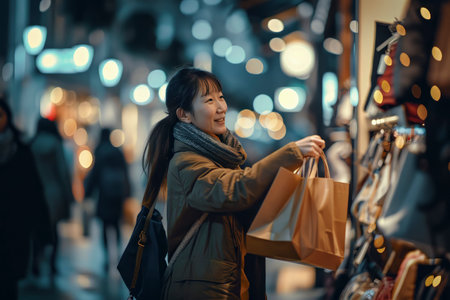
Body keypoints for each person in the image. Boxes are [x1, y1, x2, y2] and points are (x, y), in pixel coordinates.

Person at [141, 67, 326, 300]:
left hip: (228, 283)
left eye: (221, 97)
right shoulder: (185, 162)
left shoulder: (222, 157)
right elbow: (234, 191)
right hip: (202, 290)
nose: (221, 107)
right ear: (184, 114)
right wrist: (290, 154)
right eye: (209, 100)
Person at [0, 98, 52, 299]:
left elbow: (34, 192)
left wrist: (44, 230)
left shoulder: (21, 151)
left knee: (8, 285)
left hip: (14, 229)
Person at [30, 117, 74, 276]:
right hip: (54, 192)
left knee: (36, 229)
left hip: (35, 193)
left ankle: (35, 261)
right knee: (54, 230)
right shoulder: (55, 144)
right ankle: (53, 263)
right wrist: (69, 195)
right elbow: (62, 172)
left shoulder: (31, 144)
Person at [84, 128, 131, 270]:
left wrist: (88, 192)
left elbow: (94, 174)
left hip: (104, 195)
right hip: (117, 195)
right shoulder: (117, 152)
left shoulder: (100, 152)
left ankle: (106, 256)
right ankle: (116, 252)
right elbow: (125, 173)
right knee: (116, 224)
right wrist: (127, 192)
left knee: (105, 225)